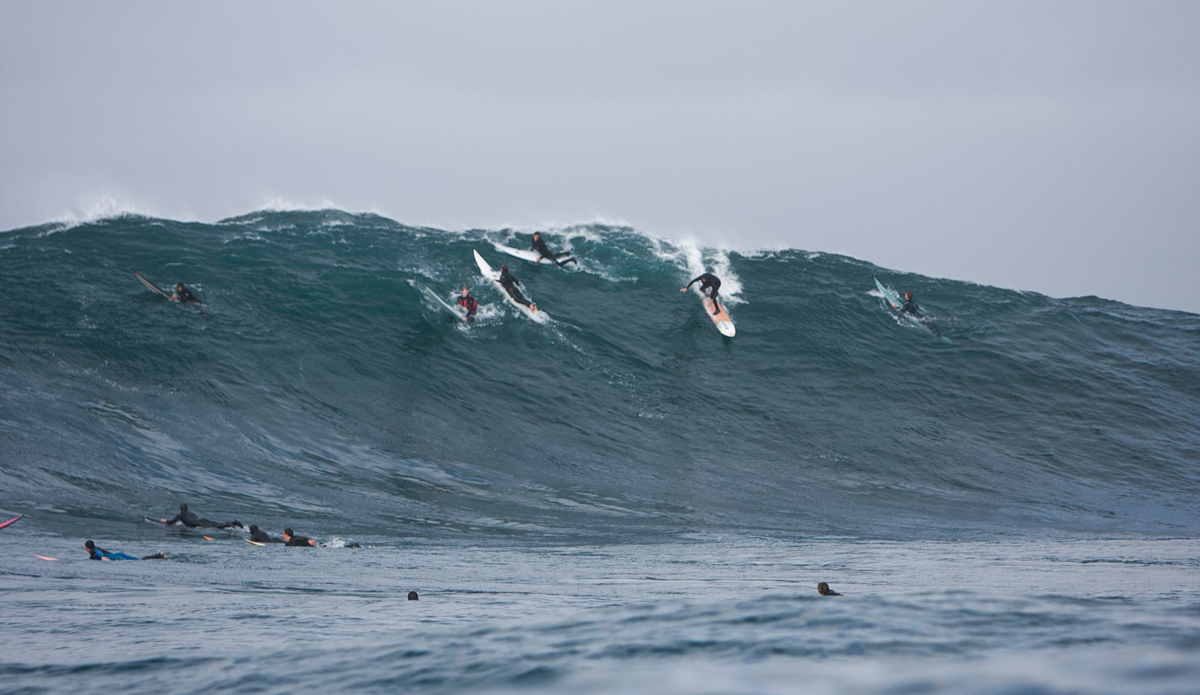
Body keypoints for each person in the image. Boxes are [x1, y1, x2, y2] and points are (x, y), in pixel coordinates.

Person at [146, 503, 243, 530]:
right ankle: (232, 522)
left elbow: (170, 522)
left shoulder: (180, 515)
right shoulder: (190, 512)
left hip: (196, 523)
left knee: (214, 527)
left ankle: (230, 524)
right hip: (200, 519)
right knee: (215, 524)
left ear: (180, 509)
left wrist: (164, 520)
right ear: (187, 508)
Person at [85, 540, 166, 561]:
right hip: (118, 555)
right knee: (139, 559)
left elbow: (101, 555)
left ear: (86, 547)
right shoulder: (94, 550)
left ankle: (159, 555)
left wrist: (104, 559)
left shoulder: (94, 550)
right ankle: (158, 555)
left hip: (118, 557)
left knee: (139, 560)